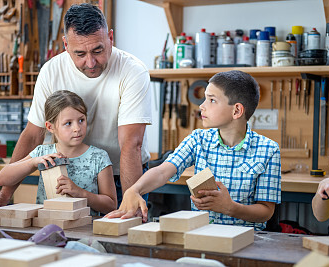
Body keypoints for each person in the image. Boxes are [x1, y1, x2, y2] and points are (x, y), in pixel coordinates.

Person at [0, 3, 152, 208]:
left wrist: (129, 207)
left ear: (110, 38)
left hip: (121, 176)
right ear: (66, 45)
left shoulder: (132, 71)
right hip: (62, 172)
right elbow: (33, 135)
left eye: (98, 50)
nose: (91, 62)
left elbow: (131, 144)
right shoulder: (51, 71)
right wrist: (5, 196)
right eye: (80, 54)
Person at [107, 70, 281, 230]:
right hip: (202, 235)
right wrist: (134, 189)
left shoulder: (268, 150)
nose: (202, 106)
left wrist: (230, 208)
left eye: (212, 100)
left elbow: (266, 211)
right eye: (205, 98)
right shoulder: (198, 139)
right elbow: (162, 171)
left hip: (247, 238)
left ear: (236, 110)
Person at [0, 90, 117, 214]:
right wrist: (33, 162)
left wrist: (80, 193)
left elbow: (111, 205)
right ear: (50, 127)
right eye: (68, 123)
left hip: (84, 230)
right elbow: (2, 179)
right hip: (46, 227)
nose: (77, 128)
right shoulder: (42, 153)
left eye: (81, 120)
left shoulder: (99, 157)